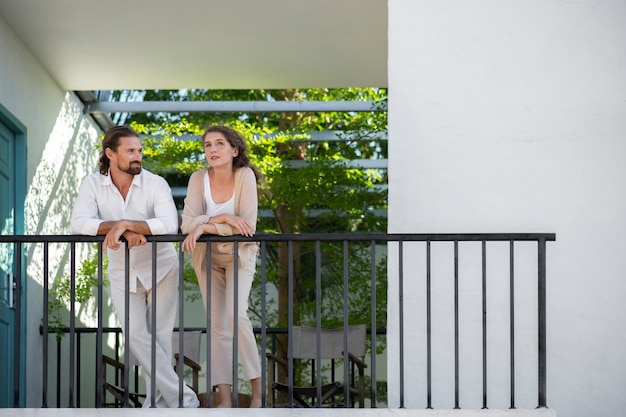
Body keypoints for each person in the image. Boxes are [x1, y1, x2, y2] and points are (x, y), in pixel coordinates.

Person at [71, 125, 199, 408]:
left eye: (139, 150)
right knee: (135, 335)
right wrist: (122, 230)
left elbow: (168, 224)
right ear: (110, 154)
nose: (137, 156)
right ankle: (185, 398)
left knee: (162, 339)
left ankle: (156, 405)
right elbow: (79, 223)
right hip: (122, 270)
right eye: (130, 151)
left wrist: (126, 224)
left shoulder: (156, 183)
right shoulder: (92, 184)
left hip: (161, 267)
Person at [180, 125, 262, 408]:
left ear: (234, 150)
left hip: (240, 255)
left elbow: (247, 226)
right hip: (207, 257)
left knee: (236, 316)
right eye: (207, 145)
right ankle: (225, 398)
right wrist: (225, 219)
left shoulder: (245, 176)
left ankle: (258, 395)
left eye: (219, 144)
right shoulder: (197, 179)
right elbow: (187, 224)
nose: (212, 150)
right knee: (216, 326)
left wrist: (208, 225)